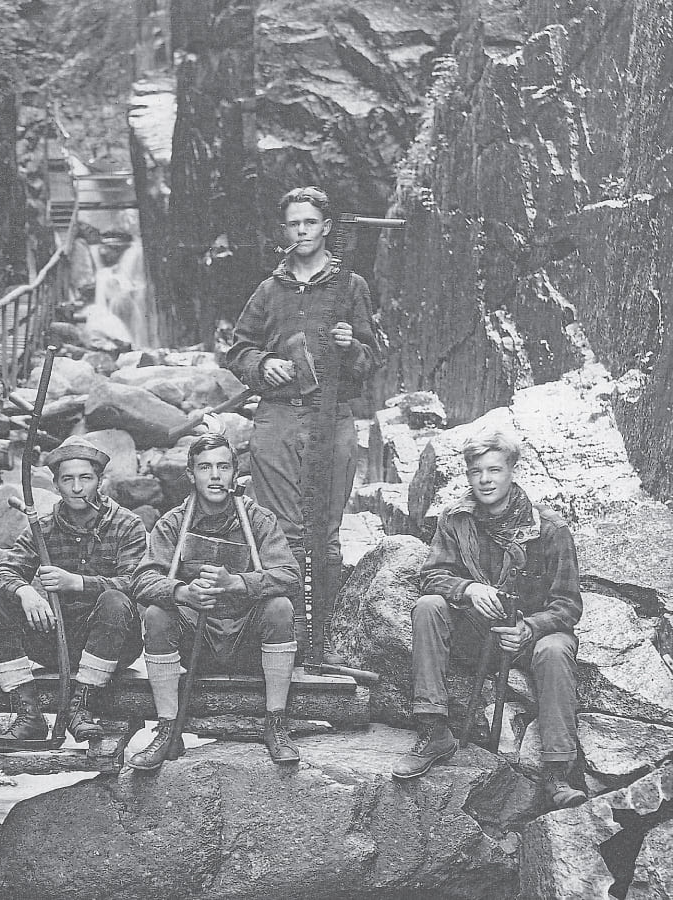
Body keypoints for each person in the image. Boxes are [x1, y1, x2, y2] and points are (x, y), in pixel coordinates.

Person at [391, 429, 586, 809]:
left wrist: (530, 629)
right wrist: (467, 590)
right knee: (429, 606)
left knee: (556, 647)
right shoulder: (455, 519)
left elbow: (567, 606)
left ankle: (557, 772)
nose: (485, 480)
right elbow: (432, 576)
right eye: (476, 471)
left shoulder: (550, 529)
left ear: (512, 469)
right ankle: (433, 730)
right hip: (476, 633)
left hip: (528, 638)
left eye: (494, 470)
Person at [225, 186, 379, 661]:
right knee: (278, 532)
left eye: (310, 223)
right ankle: (281, 639)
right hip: (276, 422)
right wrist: (262, 364)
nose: (302, 231)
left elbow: (372, 360)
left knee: (325, 535)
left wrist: (351, 345)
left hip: (331, 419)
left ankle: (323, 640)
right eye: (294, 224)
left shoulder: (351, 288)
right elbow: (237, 349)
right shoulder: (269, 291)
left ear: (327, 227)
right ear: (285, 230)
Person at [128, 432, 301, 769]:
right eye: (205, 467)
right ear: (191, 475)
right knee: (156, 614)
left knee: (280, 608)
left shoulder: (259, 520)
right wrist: (182, 592)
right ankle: (166, 728)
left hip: (247, 644)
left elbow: (290, 576)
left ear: (235, 473)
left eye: (223, 466)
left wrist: (238, 582)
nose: (216, 475)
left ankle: (276, 723)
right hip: (198, 644)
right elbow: (142, 580)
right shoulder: (173, 524)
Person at [0, 436, 148, 745]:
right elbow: (0, 573)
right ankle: (28, 712)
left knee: (115, 599)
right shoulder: (41, 528)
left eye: (85, 478)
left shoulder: (128, 525)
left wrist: (77, 583)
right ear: (56, 485)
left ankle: (80, 708)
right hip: (54, 641)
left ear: (100, 481)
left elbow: (136, 583)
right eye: (67, 479)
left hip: (112, 642)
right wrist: (25, 592)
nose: (76, 488)